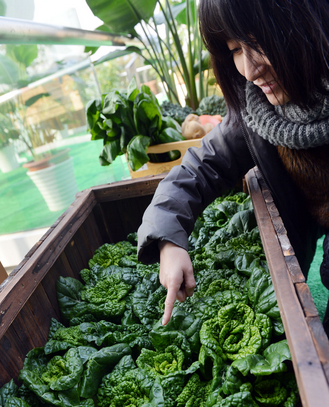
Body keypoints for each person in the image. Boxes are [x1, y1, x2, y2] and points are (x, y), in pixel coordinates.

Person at [137, 0, 329, 329]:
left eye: (258, 43)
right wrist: (168, 241)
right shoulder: (259, 113)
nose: (251, 70)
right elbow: (197, 170)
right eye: (236, 49)